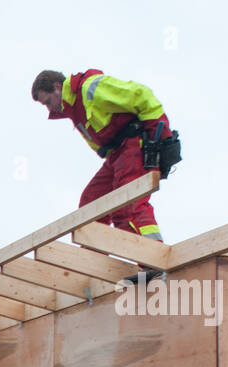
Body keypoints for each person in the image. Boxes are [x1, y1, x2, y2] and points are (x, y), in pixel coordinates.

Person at [31, 69, 176, 242]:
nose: (49, 108)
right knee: (91, 203)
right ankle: (94, 263)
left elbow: (141, 95)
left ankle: (152, 260)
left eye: (48, 101)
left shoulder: (90, 88)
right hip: (117, 155)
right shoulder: (73, 108)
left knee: (127, 203)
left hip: (133, 144)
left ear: (57, 87)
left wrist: (161, 139)